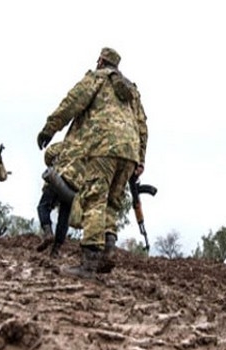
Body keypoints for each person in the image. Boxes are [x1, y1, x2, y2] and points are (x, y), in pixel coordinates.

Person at [36, 47, 147, 276]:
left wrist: (49, 129)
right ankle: (108, 250)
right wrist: (140, 159)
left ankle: (89, 262)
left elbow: (71, 103)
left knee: (94, 199)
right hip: (130, 151)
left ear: (101, 61)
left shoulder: (96, 79)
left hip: (102, 146)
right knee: (112, 203)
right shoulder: (132, 92)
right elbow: (143, 126)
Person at [35, 140, 86, 258]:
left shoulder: (69, 142)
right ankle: (56, 250)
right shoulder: (91, 150)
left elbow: (49, 153)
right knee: (64, 218)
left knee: (43, 206)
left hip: (59, 177)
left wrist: (52, 164)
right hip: (75, 187)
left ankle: (48, 233)